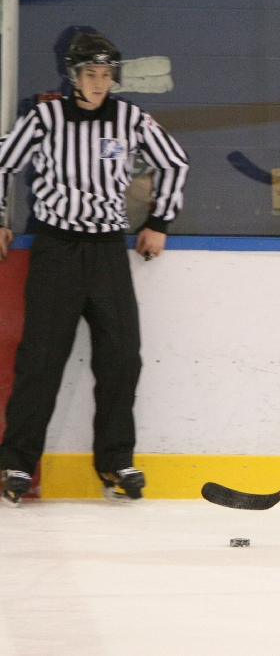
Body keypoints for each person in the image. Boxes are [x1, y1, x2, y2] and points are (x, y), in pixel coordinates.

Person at [0, 32, 189, 505]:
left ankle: (115, 461)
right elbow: (2, 161)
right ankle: (16, 463)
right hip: (56, 250)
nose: (99, 83)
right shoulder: (45, 118)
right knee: (41, 361)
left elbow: (175, 162)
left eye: (105, 74)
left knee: (122, 358)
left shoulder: (129, 119)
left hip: (107, 252)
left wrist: (159, 222)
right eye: (90, 74)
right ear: (74, 75)